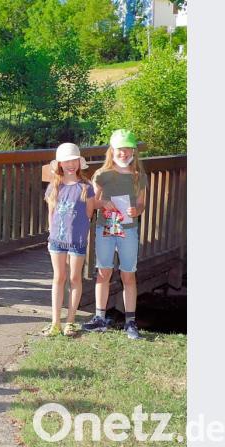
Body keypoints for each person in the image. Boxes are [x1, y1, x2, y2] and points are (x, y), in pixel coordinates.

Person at [82, 129, 148, 340]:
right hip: (105, 229)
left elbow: (141, 203)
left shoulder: (139, 176)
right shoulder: (101, 175)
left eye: (128, 148)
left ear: (133, 152)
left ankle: (130, 321)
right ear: (112, 151)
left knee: (128, 274)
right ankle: (100, 318)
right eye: (120, 149)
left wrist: (136, 211)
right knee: (104, 272)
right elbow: (92, 203)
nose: (124, 153)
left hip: (128, 231)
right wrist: (103, 204)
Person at [42, 143, 95, 337]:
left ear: (79, 162)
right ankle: (55, 322)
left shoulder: (86, 187)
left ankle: (70, 321)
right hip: (57, 240)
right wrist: (51, 235)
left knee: (74, 278)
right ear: (60, 164)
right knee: (59, 277)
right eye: (66, 161)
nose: (71, 164)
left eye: (74, 160)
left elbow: (89, 213)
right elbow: (51, 214)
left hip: (77, 240)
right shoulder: (54, 186)